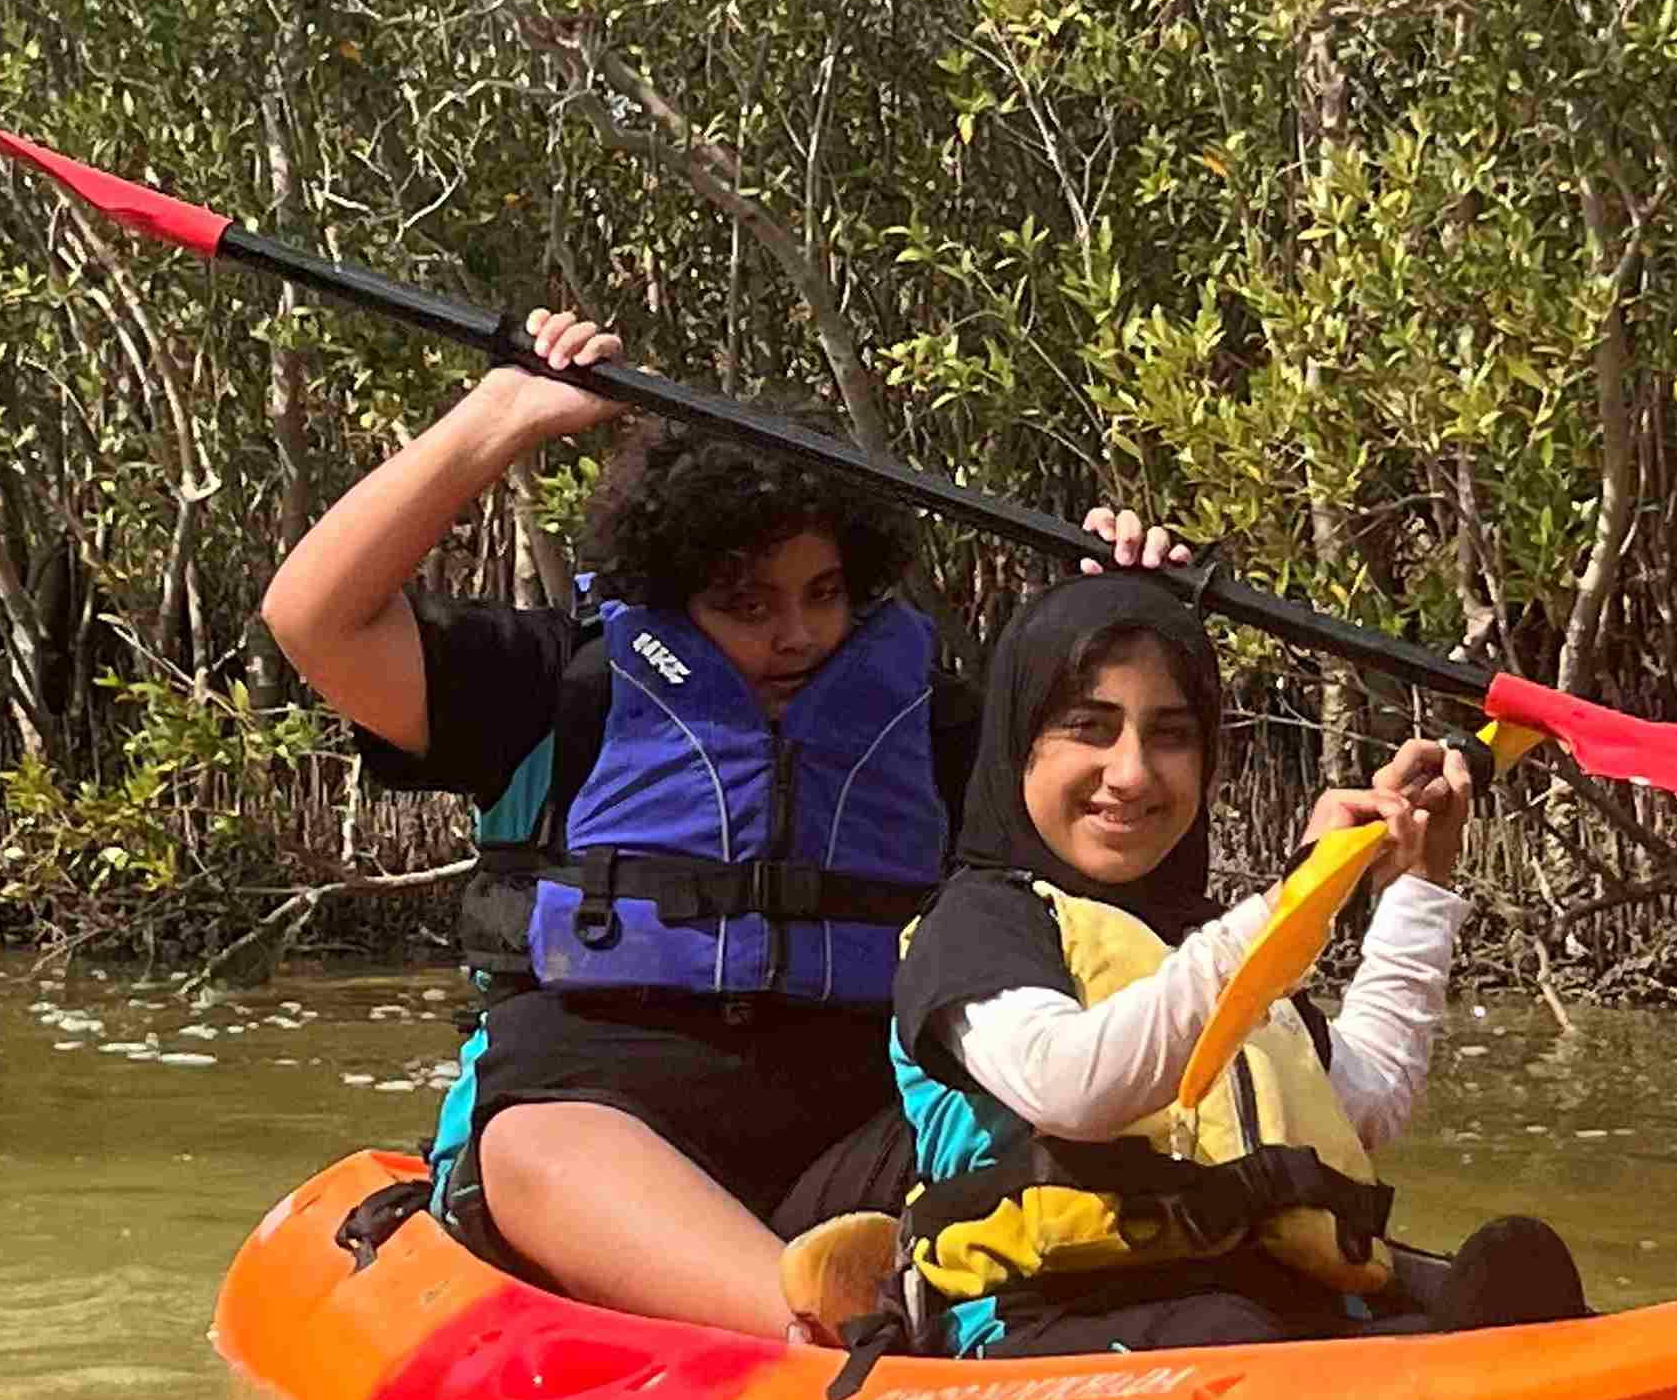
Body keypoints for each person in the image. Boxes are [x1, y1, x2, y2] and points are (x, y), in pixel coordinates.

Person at [260, 306, 1183, 1337]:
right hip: (599, 1112)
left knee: (1062, 1124)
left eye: (824, 594)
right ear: (672, 588)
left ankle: (1014, 1321)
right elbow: (313, 618)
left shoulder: (928, 720)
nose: (796, 634)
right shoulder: (551, 686)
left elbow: (1120, 841)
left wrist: (1115, 624)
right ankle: (818, 1325)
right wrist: (504, 415)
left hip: (856, 1122)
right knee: (531, 1147)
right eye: (749, 604)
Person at [876, 572, 1585, 1357]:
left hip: (1262, 1313)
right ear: (1017, 748)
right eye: (1090, 726)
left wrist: (1421, 881)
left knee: (1522, 1271)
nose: (1133, 771)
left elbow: (1369, 1103)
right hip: (1055, 1328)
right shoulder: (979, 922)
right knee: (1240, 1332)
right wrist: (1291, 902)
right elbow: (1069, 1085)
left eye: (1171, 734)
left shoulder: (1200, 944)